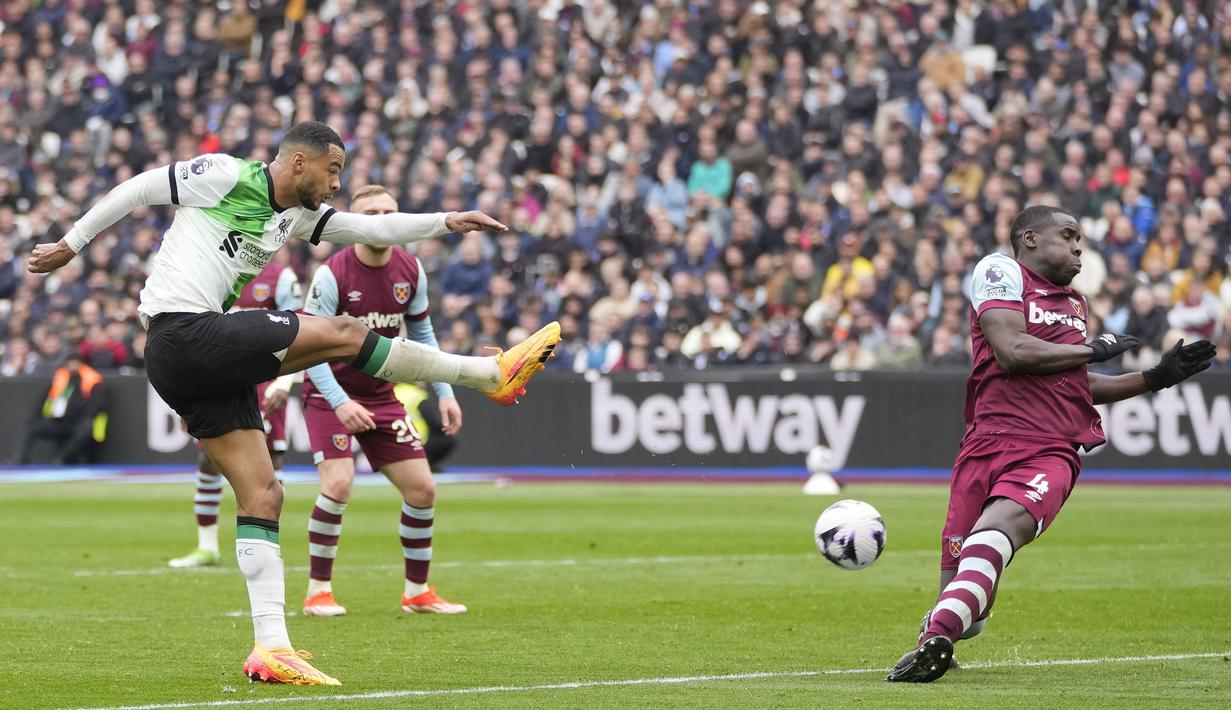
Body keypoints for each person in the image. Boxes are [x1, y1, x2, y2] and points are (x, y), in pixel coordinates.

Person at [28, 121, 561, 686]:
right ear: (300, 163)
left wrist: (445, 222)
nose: (337, 183)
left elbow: (363, 224)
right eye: (333, 170)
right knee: (345, 333)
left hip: (192, 355)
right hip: (183, 332)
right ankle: (486, 374)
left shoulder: (298, 217)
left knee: (264, 492)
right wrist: (72, 244)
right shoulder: (227, 174)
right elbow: (138, 187)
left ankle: (270, 648)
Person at [886, 206, 1215, 683]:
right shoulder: (999, 271)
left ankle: (933, 638)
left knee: (996, 531)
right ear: (1030, 238)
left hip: (1051, 448)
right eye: (1068, 235)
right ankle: (945, 628)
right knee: (971, 612)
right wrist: (1093, 349)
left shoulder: (1075, 304)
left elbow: (1077, 384)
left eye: (1081, 239)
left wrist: (1154, 377)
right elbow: (1013, 352)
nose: (1079, 246)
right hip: (985, 443)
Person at [298, 184, 466, 618]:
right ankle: (318, 591)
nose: (381, 219)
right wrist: (338, 402)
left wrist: (444, 391)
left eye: (389, 211)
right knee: (337, 484)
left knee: (423, 489)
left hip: (380, 394)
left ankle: (417, 592)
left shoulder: (411, 269)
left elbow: (423, 335)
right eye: (370, 213)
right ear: (353, 222)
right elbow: (310, 347)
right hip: (328, 392)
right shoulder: (333, 273)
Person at [169, 258, 302, 569]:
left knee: (271, 461)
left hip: (264, 380)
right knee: (208, 458)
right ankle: (207, 546)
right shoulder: (212, 270)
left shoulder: (280, 276)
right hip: (219, 379)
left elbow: (299, 327)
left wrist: (286, 381)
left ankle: (270, 544)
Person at [15, 353, 107, 465]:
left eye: (76, 362)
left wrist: (84, 418)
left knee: (85, 430)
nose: (73, 365)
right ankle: (20, 460)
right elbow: (45, 398)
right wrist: (38, 416)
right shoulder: (60, 377)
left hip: (79, 423)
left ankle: (61, 459)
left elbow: (97, 405)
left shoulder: (92, 380)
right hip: (59, 421)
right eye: (70, 362)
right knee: (30, 426)